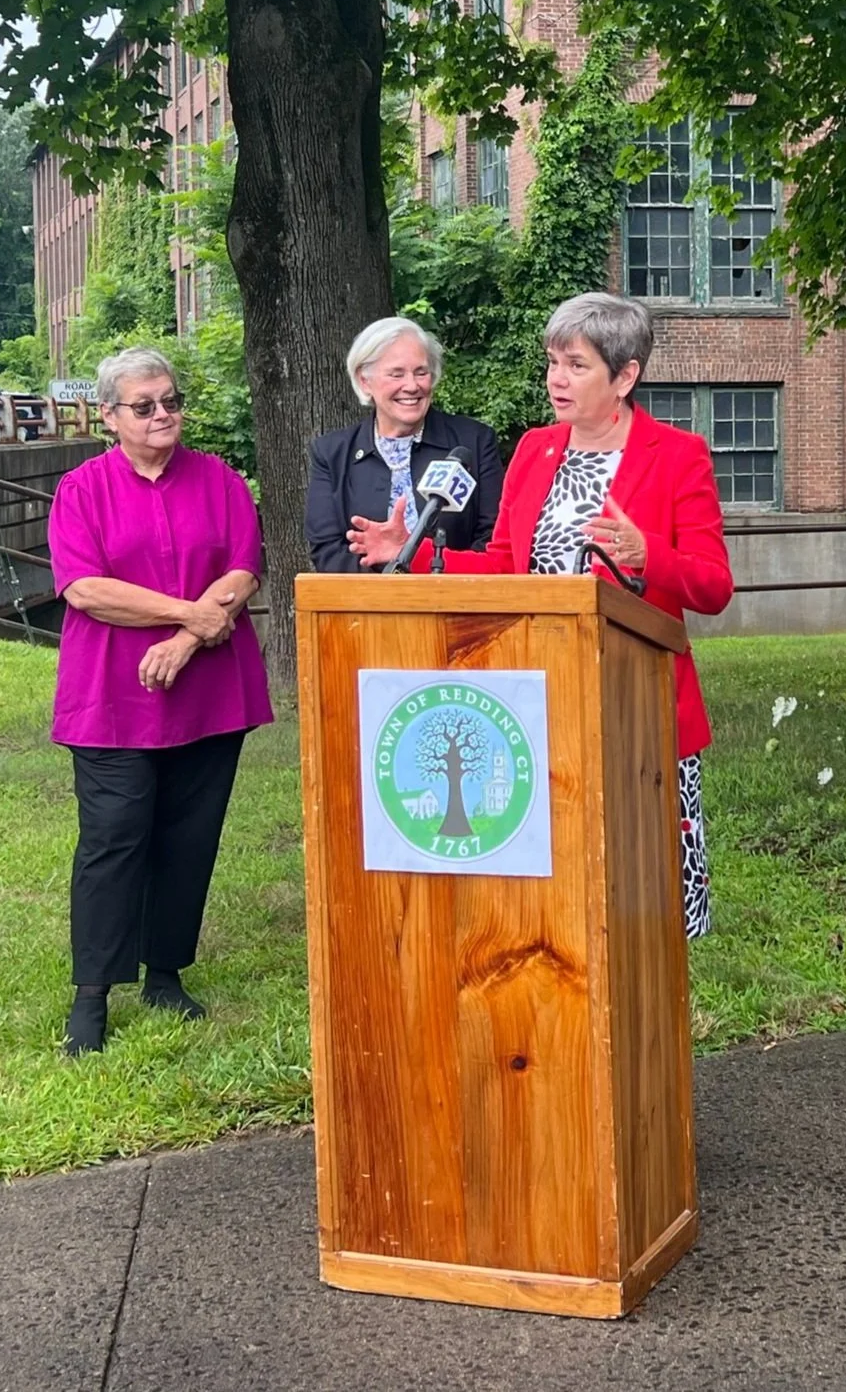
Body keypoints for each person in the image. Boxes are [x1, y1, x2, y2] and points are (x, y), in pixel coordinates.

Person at [353, 292, 732, 936]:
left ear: (626, 376)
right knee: (558, 897)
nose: (556, 379)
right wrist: (411, 555)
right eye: (553, 362)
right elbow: (507, 563)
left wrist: (650, 555)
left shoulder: (676, 455)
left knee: (647, 903)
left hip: (638, 707)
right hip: (538, 701)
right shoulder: (534, 449)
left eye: (577, 365)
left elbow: (714, 587)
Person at [48, 346, 273, 1056]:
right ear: (110, 416)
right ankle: (92, 993)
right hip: (113, 694)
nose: (162, 415)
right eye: (143, 406)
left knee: (189, 835)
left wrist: (183, 640)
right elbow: (86, 589)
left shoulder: (219, 478)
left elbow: (244, 568)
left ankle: (165, 972)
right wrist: (189, 614)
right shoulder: (82, 489)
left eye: (170, 401)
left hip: (208, 690)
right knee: (114, 838)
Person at [306, 316, 506, 572]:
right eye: (396, 374)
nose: (411, 386)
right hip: (367, 606)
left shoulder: (474, 442)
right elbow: (328, 552)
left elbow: (492, 539)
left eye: (421, 372)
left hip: (457, 604)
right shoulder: (332, 454)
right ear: (365, 381)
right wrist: (392, 595)